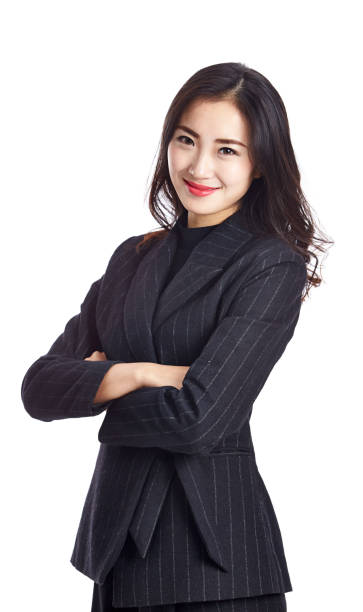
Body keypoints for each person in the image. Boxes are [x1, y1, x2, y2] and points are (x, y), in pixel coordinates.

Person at [21, 61, 332, 611]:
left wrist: (101, 389)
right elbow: (39, 388)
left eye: (227, 149)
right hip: (116, 553)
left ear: (261, 163)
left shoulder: (268, 264)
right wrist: (138, 373)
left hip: (215, 562)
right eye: (186, 140)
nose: (199, 165)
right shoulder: (132, 257)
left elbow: (201, 418)